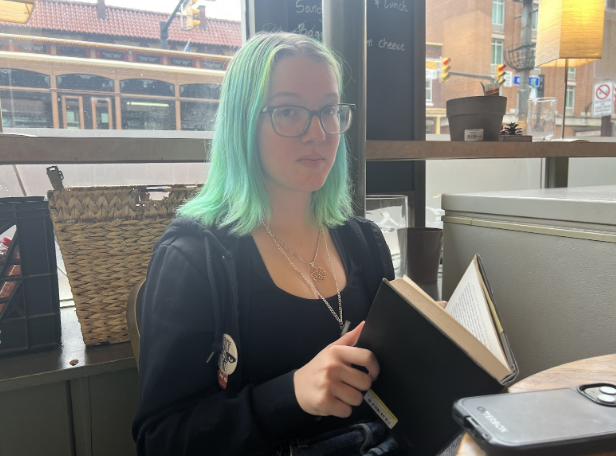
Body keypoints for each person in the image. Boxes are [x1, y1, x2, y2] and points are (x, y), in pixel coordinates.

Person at [132, 31, 409, 456]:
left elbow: (388, 396)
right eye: (289, 111)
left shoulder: (365, 243)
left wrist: (426, 345)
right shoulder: (193, 259)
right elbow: (162, 439)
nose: (318, 132)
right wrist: (291, 394)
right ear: (244, 122)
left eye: (329, 110)